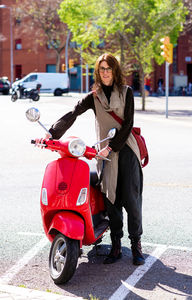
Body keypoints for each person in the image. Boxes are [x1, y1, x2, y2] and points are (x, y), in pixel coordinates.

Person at [43, 53, 145, 266]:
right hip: (105, 155)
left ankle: (136, 245)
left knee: (131, 200)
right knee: (111, 200)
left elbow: (127, 125)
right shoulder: (94, 96)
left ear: (115, 71)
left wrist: (112, 148)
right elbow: (73, 112)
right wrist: (52, 134)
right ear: (98, 72)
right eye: (102, 69)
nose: (105, 72)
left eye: (109, 68)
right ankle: (116, 246)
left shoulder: (127, 93)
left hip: (126, 151)